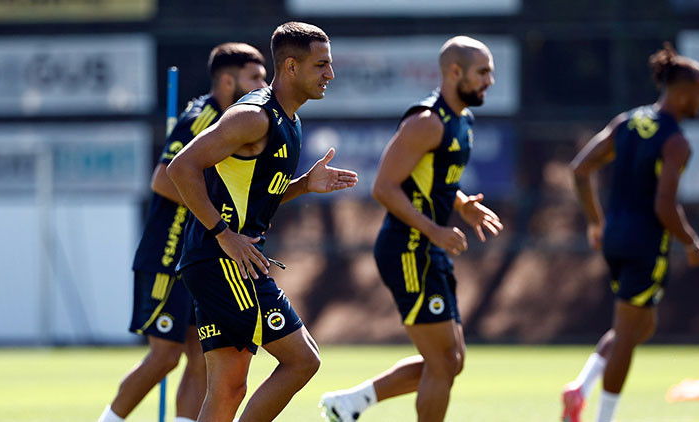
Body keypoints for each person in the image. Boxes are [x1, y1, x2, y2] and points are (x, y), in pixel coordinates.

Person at [166, 22, 358, 422]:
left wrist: (304, 185)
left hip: (222, 260)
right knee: (302, 360)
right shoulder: (252, 117)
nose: (330, 73)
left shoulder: (290, 120)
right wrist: (223, 235)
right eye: (321, 64)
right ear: (291, 67)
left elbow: (254, 193)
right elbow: (181, 167)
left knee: (228, 387)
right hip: (223, 263)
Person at [320, 36, 503, 422]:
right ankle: (351, 403)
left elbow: (432, 181)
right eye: (483, 72)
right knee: (443, 361)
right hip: (407, 248)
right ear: (455, 72)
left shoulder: (462, 121)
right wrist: (434, 230)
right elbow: (384, 187)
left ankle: (351, 402)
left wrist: (461, 206)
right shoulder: (426, 122)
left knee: (451, 361)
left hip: (428, 248)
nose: (490, 80)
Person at [97, 42, 268, 422]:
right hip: (167, 251)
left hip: (197, 256)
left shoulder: (239, 121)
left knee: (199, 356)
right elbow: (162, 178)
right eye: (255, 77)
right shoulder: (203, 117)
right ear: (228, 81)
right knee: (164, 356)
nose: (263, 85)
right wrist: (213, 212)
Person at [562, 43, 699, 422]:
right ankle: (604, 418)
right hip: (645, 244)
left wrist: (596, 222)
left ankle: (580, 388)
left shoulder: (627, 122)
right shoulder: (676, 142)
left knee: (641, 325)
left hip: (615, 238)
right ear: (683, 94)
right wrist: (691, 243)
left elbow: (580, 169)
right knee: (628, 334)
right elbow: (664, 207)